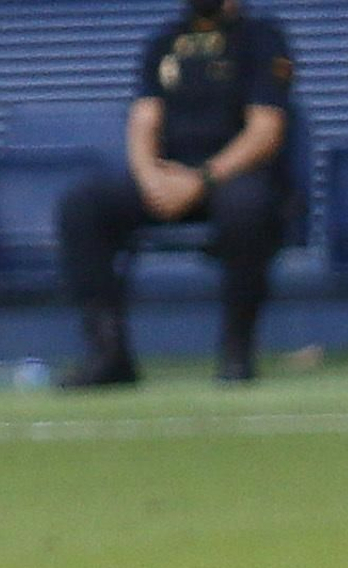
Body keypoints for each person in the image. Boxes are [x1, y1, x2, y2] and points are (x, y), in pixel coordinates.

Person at [56, 0, 294, 387]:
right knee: (83, 206)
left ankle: (236, 352)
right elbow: (143, 119)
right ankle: (109, 355)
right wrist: (150, 177)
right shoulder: (164, 41)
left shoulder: (261, 38)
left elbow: (266, 130)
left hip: (231, 177)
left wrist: (202, 179)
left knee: (246, 208)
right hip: (169, 178)